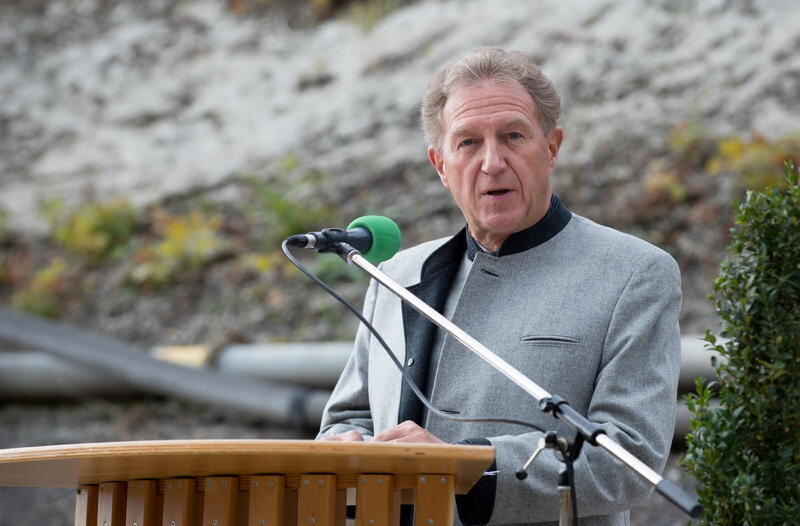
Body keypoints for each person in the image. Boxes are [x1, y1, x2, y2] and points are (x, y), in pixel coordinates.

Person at [317, 47, 681, 526]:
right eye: (467, 142)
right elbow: (346, 420)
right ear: (440, 165)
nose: (492, 162)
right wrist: (344, 448)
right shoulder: (396, 274)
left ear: (551, 148)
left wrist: (465, 469)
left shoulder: (633, 274)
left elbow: (628, 461)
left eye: (513, 136)